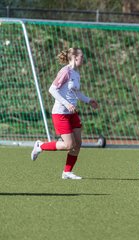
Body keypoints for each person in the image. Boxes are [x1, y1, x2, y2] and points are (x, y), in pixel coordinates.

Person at [31, 47, 99, 180]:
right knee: (69, 145)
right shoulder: (65, 71)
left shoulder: (76, 74)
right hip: (60, 113)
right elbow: (52, 89)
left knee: (78, 143)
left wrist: (89, 100)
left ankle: (67, 172)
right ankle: (40, 146)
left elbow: (77, 93)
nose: (83, 59)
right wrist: (67, 103)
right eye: (82, 57)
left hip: (72, 114)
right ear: (74, 57)